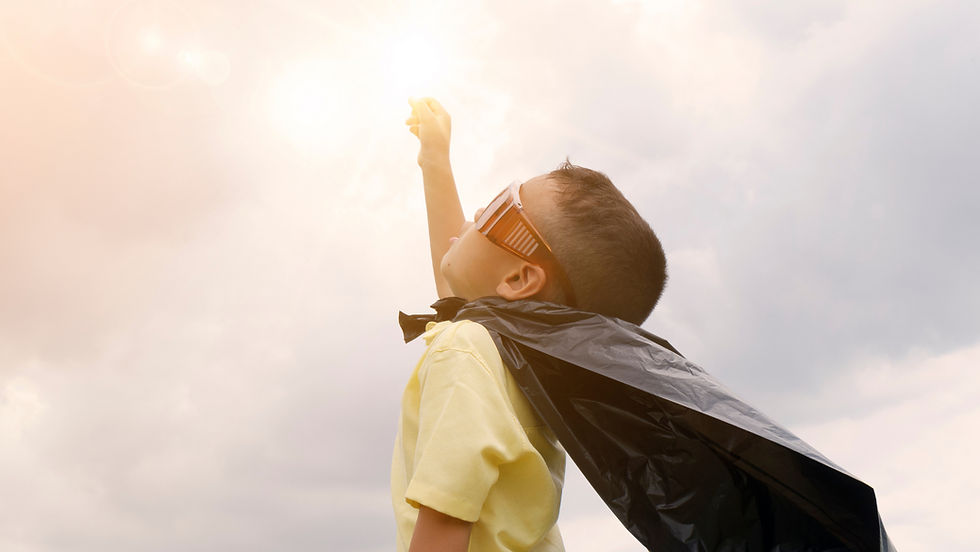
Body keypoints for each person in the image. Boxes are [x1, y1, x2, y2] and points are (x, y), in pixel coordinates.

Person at [392, 97, 668, 552]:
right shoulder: (523, 356)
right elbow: (457, 281)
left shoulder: (466, 349)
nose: (479, 209)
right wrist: (434, 160)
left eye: (501, 208)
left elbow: (445, 522)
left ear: (520, 278)